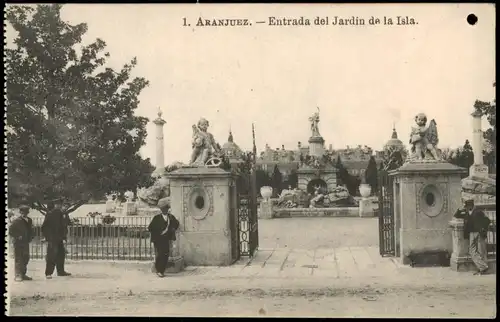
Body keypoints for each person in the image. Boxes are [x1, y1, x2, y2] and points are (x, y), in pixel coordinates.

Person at [454, 199, 491, 275]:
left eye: (467, 206)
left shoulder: (478, 212)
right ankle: (483, 267)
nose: (466, 208)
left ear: (471, 205)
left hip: (479, 233)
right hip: (471, 234)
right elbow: (456, 215)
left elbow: (487, 220)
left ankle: (482, 269)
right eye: (466, 207)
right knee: (472, 251)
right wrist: (460, 210)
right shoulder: (466, 213)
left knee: (481, 251)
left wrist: (483, 228)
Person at [148, 199, 180, 278]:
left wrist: (172, 229)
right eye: (163, 209)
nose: (165, 210)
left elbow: (176, 224)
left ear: (167, 209)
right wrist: (157, 232)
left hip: (166, 239)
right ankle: (159, 270)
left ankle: (161, 270)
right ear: (161, 210)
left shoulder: (171, 217)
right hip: (158, 239)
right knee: (159, 254)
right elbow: (150, 228)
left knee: (165, 254)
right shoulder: (156, 218)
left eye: (166, 209)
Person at [42, 199, 71, 279]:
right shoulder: (50, 213)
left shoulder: (62, 214)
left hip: (60, 238)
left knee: (61, 255)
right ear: (55, 205)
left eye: (60, 204)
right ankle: (48, 273)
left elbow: (63, 227)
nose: (59, 206)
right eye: (57, 204)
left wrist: (64, 237)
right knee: (51, 255)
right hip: (52, 238)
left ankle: (60, 271)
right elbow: (44, 227)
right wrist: (48, 237)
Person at [9, 204, 34, 282]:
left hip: (26, 242)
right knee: (18, 258)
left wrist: (31, 237)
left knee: (26, 258)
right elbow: (11, 230)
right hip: (18, 242)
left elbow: (30, 230)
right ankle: (18, 275)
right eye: (23, 211)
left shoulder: (29, 220)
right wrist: (17, 236)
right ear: (20, 212)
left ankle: (23, 274)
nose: (25, 213)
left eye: (26, 211)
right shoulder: (16, 221)